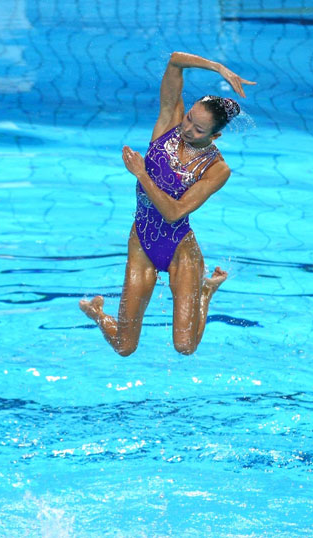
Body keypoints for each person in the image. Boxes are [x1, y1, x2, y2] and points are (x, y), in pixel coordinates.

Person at [80, 51, 255, 356]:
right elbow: (175, 60)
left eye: (198, 130)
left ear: (215, 135)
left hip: (180, 248)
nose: (187, 129)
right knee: (124, 346)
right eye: (189, 118)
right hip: (142, 241)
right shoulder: (168, 123)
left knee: (185, 346)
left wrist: (141, 173)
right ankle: (97, 313)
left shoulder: (217, 169)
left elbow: (174, 212)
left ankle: (205, 292)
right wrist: (218, 68)